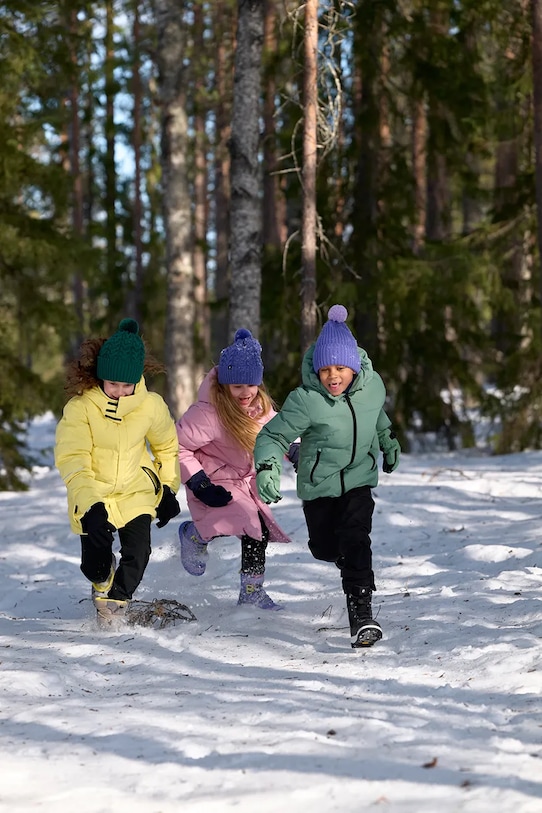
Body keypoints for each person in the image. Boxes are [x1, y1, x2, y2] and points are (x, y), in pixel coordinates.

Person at [254, 304, 401, 648]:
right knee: (324, 547)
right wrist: (267, 468)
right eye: (325, 370)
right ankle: (344, 558)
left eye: (340, 368)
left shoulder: (372, 387)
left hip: (359, 480)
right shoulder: (306, 400)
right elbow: (272, 437)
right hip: (319, 486)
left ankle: (361, 613)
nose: (332, 376)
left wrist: (388, 440)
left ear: (353, 367)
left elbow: (374, 415)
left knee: (356, 538)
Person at [55, 318, 181, 627]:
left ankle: (115, 604)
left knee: (138, 553)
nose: (120, 392)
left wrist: (167, 488)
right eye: (113, 384)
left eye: (128, 385)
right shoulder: (81, 408)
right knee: (96, 567)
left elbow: (167, 447)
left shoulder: (150, 406)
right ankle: (102, 582)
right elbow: (73, 460)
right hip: (93, 493)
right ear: (100, 378)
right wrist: (90, 504)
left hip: (134, 492)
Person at [176, 328, 290, 610]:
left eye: (250, 385)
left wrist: (295, 448)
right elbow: (175, 447)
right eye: (237, 386)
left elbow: (280, 431)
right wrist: (198, 482)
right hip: (212, 480)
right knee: (237, 522)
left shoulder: (259, 407)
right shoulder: (208, 413)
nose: (245, 393)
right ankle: (194, 535)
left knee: (257, 529)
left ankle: (252, 590)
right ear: (225, 384)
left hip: (246, 482)